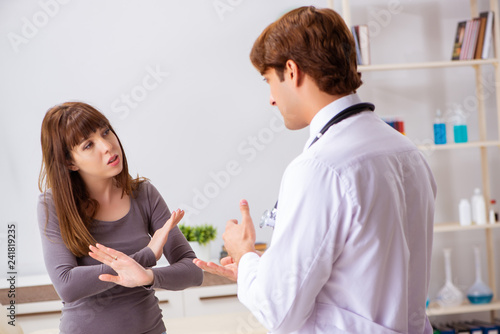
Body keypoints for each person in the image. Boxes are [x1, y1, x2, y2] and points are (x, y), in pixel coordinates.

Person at [193, 6, 436, 334]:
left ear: (291, 72)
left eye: (269, 80)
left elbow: (278, 311)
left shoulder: (319, 168)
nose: (271, 99)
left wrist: (245, 253)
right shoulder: (406, 151)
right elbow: (363, 272)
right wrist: (261, 273)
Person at [38, 102, 203, 334]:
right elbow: (67, 284)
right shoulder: (53, 205)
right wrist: (146, 255)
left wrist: (147, 276)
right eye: (88, 145)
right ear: (69, 162)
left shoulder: (144, 195)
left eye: (105, 131)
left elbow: (193, 272)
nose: (107, 146)